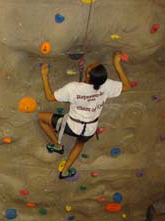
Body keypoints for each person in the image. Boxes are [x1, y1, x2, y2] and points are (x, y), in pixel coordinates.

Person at [38, 51, 131, 179]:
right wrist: (117, 64)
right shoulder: (105, 85)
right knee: (79, 144)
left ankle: (57, 146)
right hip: (90, 129)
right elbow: (127, 86)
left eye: (92, 66)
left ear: (87, 75)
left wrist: (44, 75)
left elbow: (49, 97)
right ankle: (64, 172)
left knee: (41, 118)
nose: (94, 63)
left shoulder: (73, 88)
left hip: (71, 126)